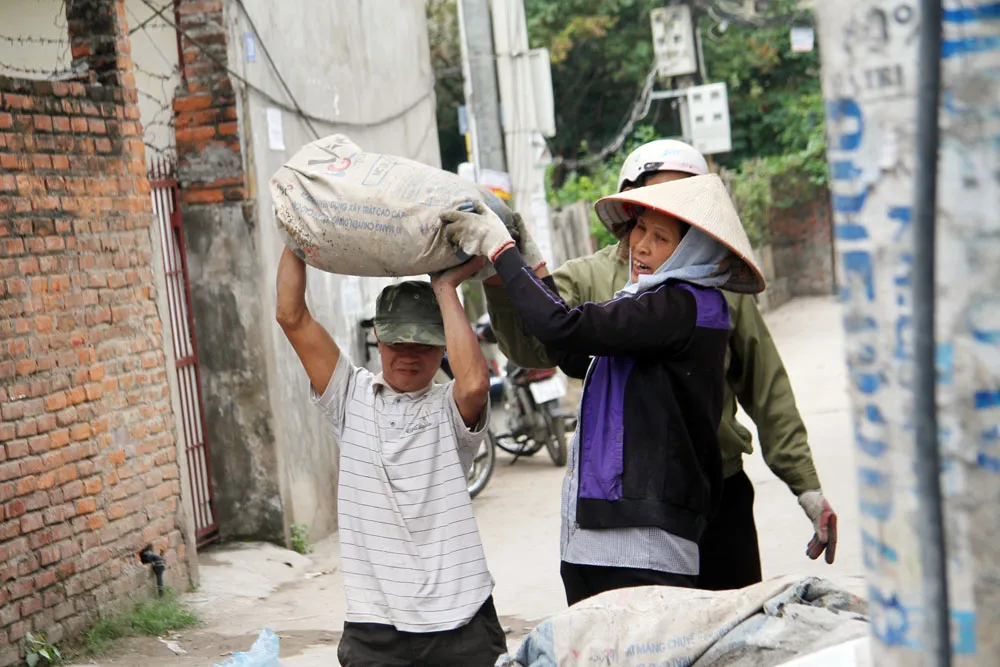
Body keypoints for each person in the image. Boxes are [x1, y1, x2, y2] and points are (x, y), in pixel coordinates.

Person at [482, 139, 838, 592]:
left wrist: (806, 487)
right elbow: (541, 341)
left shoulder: (702, 296)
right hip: (630, 502)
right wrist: (502, 273)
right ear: (633, 208)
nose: (646, 244)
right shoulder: (592, 277)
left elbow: (768, 390)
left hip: (715, 488)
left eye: (683, 215)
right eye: (647, 221)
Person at [442, 174, 765, 605]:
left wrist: (501, 253)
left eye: (660, 237)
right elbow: (570, 350)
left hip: (644, 534)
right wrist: (529, 261)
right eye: (640, 228)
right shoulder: (643, 302)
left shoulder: (683, 305)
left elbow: (561, 326)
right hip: (597, 530)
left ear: (693, 251)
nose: (641, 245)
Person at [275, 247, 507, 666]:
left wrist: (445, 288)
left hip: (461, 619)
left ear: (444, 349)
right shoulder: (349, 396)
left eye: (424, 344)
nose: (408, 354)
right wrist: (297, 238)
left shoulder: (449, 409)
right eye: (398, 340)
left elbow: (473, 386)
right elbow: (292, 317)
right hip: (375, 627)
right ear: (378, 337)